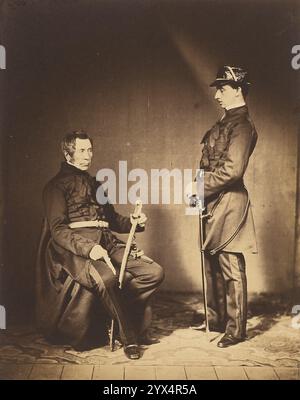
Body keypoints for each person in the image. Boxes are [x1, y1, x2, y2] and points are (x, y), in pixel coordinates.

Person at [36, 131, 164, 359]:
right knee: (107, 279)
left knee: (153, 272)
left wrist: (133, 222)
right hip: (77, 250)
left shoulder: (95, 184)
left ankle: (111, 316)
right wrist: (89, 248)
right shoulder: (54, 187)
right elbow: (58, 231)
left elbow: (112, 220)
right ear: (68, 153)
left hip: (108, 242)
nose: (88, 155)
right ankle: (129, 338)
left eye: (90, 150)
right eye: (81, 150)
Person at [191, 66, 258, 348]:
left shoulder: (242, 126)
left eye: (222, 89)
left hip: (230, 202)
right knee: (211, 262)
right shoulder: (223, 123)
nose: (217, 95)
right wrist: (196, 198)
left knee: (231, 264)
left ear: (237, 90)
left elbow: (232, 171)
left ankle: (236, 330)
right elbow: (207, 165)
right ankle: (216, 321)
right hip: (211, 200)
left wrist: (196, 190)